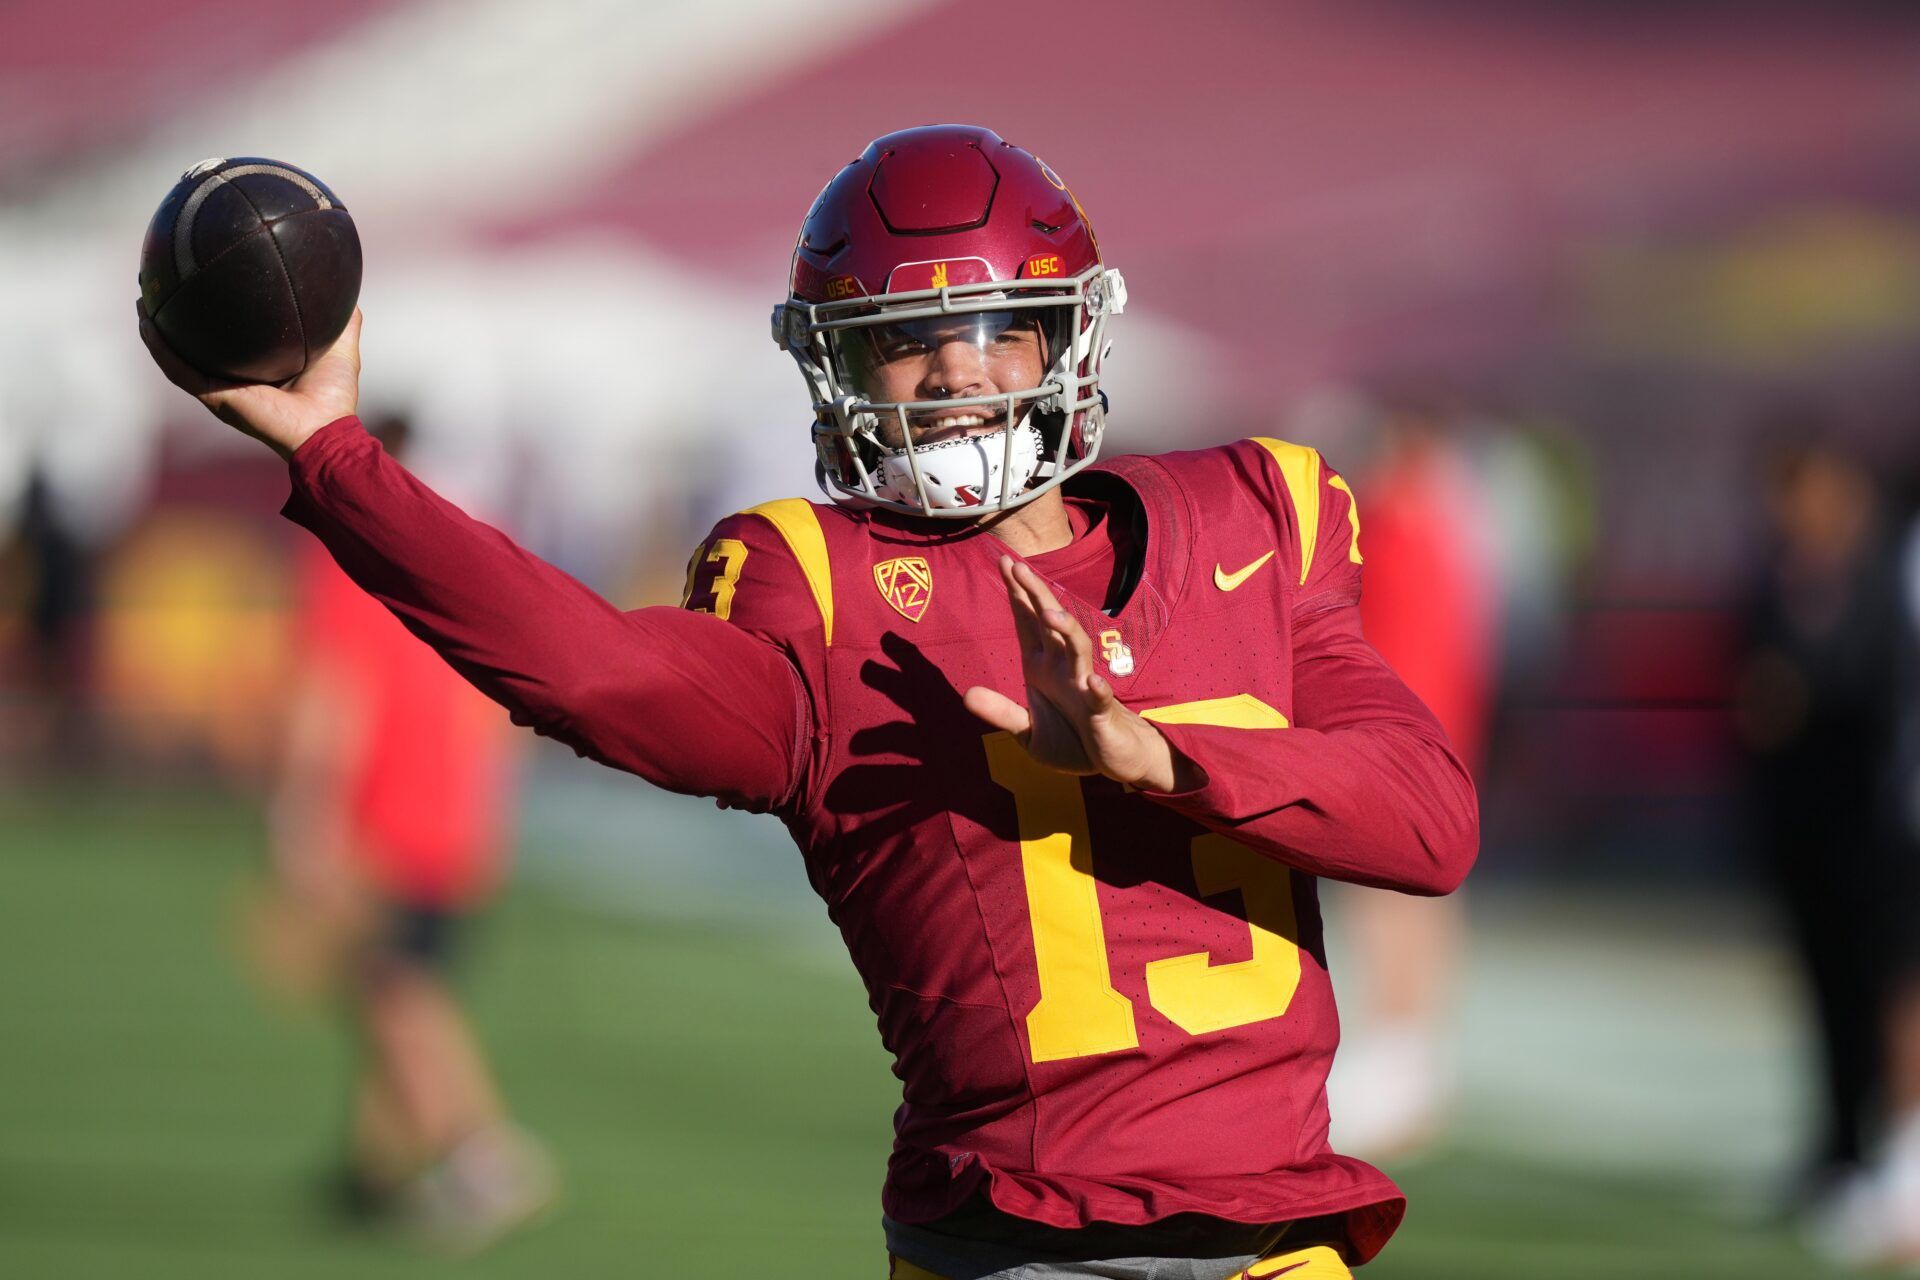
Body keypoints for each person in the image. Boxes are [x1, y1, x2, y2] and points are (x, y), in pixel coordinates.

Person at [141, 125, 1477, 1279]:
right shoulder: (816, 594)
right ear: (836, 370)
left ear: (1070, 332)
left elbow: (1430, 827)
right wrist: (336, 456)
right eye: (906, 344)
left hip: (1273, 1237)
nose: (958, 377)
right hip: (1009, 1244)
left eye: (997, 332)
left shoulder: (1253, 521)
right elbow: (588, 671)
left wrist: (1157, 754)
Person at [247, 413, 554, 1251]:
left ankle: (483, 1153)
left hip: (384, 817)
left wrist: (301, 819)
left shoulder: (344, 558)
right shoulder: (456, 557)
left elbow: (332, 697)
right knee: (404, 987)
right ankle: (375, 1170)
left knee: (397, 996)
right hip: (453, 814)